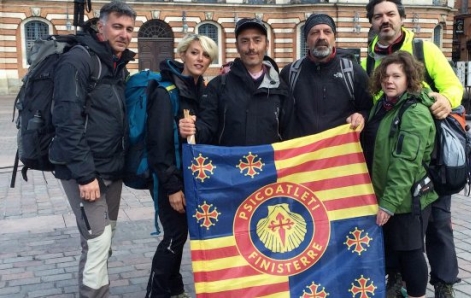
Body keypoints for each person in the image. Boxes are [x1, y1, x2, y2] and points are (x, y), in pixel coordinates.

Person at [363, 1, 464, 297]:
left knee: (438, 225)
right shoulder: (368, 57)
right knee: (399, 233)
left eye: (390, 14)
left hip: (429, 160)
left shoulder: (424, 50)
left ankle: (444, 283)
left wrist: (446, 99)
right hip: (392, 157)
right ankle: (396, 279)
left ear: (402, 18)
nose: (385, 20)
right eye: (378, 16)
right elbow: (368, 101)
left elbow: (453, 86)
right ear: (371, 22)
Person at [48, 1, 136, 297]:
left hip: (112, 168)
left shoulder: (117, 65)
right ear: (100, 26)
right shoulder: (79, 60)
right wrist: (85, 176)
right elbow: (67, 121)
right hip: (85, 170)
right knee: (98, 240)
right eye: (117, 26)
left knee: (103, 240)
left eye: (128, 29)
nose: (124, 34)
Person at [145, 34, 218, 298]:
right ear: (184, 53)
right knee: (175, 235)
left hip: (191, 178)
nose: (200, 59)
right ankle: (156, 292)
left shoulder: (202, 89)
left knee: (179, 234)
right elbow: (157, 144)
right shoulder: (167, 92)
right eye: (195, 53)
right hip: (170, 178)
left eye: (206, 55)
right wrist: (172, 187)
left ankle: (174, 290)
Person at [363, 50, 437, 298]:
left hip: (407, 199)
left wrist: (388, 204)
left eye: (396, 76)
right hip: (386, 195)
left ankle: (417, 294)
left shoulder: (414, 112)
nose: (389, 81)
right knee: (393, 250)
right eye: (385, 76)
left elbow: (407, 163)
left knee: (411, 252)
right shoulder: (383, 106)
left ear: (409, 79)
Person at [179, 18, 293, 146]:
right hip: (229, 165)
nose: (251, 47)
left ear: (266, 44)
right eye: (244, 41)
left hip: (269, 165)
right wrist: (194, 130)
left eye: (257, 40)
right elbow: (207, 128)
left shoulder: (281, 88)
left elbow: (289, 136)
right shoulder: (217, 86)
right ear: (237, 46)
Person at [279, 13, 373, 137]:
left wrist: (362, 116)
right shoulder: (290, 73)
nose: (321, 37)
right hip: (302, 153)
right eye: (315, 32)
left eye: (327, 32)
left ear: (334, 38)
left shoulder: (352, 71)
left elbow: (370, 109)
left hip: (338, 152)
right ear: (306, 39)